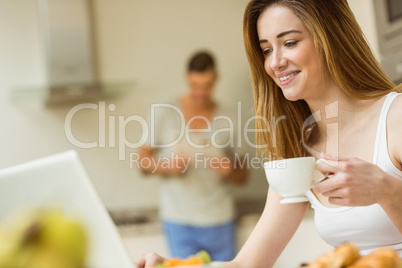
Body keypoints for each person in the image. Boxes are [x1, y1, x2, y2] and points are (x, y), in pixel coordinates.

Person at [136, 0, 402, 267]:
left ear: (330, 36)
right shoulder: (299, 154)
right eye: (266, 50)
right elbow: (246, 264)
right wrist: (173, 265)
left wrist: (389, 191)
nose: (275, 63)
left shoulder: (396, 118)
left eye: (289, 43)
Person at [137, 51, 247, 262]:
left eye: (207, 86)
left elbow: (243, 176)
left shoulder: (231, 116)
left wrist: (230, 170)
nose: (201, 93)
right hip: (178, 220)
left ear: (216, 79)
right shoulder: (164, 112)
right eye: (196, 86)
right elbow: (142, 162)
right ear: (187, 78)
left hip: (220, 219)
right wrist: (168, 167)